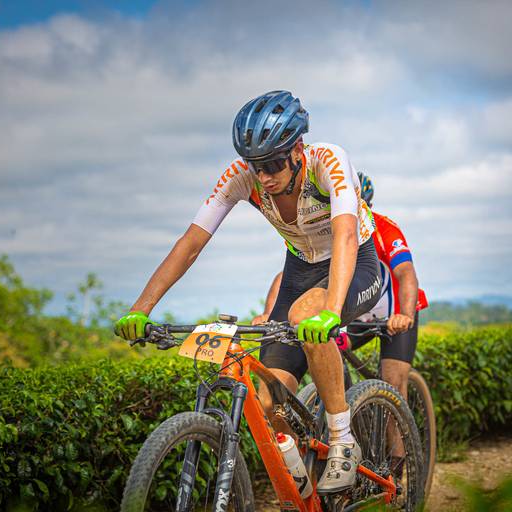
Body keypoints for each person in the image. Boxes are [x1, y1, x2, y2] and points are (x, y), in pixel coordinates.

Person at [114, 91, 381, 494]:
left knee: (306, 316)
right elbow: (191, 243)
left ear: (298, 150)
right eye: (256, 166)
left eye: (273, 164)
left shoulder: (327, 161)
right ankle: (298, 479)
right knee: (268, 397)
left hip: (355, 263)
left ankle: (343, 440)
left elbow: (345, 235)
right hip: (301, 269)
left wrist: (331, 308)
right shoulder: (242, 177)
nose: (264, 176)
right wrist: (141, 309)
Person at [254, 171, 428, 412]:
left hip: (393, 313)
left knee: (393, 380)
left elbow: (406, 274)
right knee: (327, 351)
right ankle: (350, 418)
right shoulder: (324, 230)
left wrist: (405, 315)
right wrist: (269, 315)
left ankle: (399, 438)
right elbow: (287, 278)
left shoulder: (383, 229)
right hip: (355, 311)